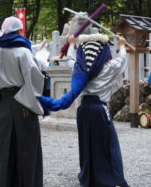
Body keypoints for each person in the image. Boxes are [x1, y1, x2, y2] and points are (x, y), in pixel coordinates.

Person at [38, 33, 129, 187]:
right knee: (106, 144)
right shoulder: (108, 67)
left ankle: (89, 175)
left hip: (84, 109)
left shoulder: (79, 69)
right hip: (100, 109)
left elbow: (71, 60)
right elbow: (121, 60)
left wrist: (72, 44)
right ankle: (108, 177)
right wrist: (121, 45)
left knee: (86, 144)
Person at [0, 16, 44, 187]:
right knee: (27, 150)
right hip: (23, 103)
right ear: (19, 31)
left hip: (3, 103)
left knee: (4, 151)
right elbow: (34, 79)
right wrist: (32, 104)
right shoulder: (23, 52)